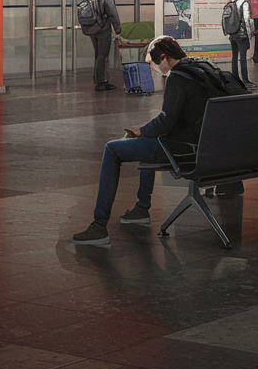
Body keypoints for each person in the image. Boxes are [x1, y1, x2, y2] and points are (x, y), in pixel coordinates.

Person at [72, 37, 213, 246]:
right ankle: (141, 208)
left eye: (154, 63)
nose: (155, 68)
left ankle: (99, 225)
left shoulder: (177, 78)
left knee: (112, 149)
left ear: (164, 57)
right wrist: (146, 132)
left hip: (185, 151)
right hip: (211, 149)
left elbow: (166, 123)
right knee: (148, 137)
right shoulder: (203, 71)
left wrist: (141, 132)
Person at [88, 0, 122, 91]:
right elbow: (112, 13)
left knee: (98, 55)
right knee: (103, 55)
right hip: (103, 29)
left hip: (92, 29)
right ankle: (101, 82)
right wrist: (117, 28)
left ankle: (97, 78)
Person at [226, 0, 256, 89]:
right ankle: (245, 80)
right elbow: (247, 20)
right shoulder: (244, 3)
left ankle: (235, 78)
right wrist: (250, 33)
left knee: (234, 57)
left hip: (232, 34)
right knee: (243, 58)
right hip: (242, 34)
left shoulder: (232, 2)